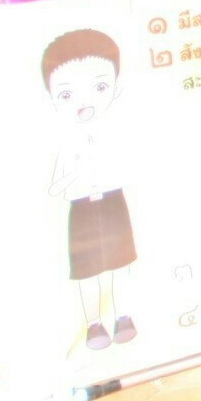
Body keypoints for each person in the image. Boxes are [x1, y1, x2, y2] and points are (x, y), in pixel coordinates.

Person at [43, 29, 136, 351]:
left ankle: (124, 317)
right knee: (87, 271)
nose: (84, 102)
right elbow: (55, 187)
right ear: (53, 98)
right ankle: (94, 324)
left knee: (121, 263)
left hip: (113, 201)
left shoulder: (115, 134)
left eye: (99, 87)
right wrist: (72, 177)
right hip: (82, 208)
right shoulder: (66, 142)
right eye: (67, 94)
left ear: (115, 88)